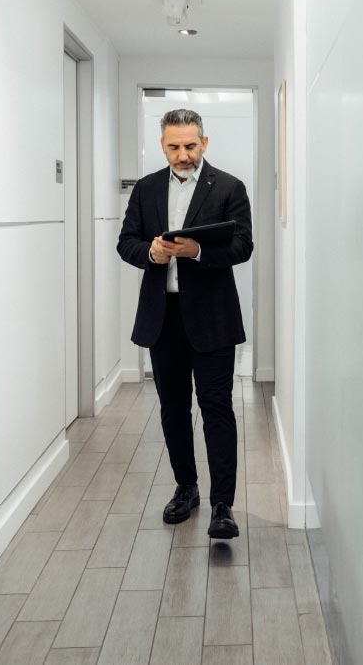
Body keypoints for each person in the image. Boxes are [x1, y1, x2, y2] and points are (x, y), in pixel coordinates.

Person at [117, 108, 253, 539]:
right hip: (163, 318)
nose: (183, 154)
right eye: (174, 146)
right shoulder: (146, 189)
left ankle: (222, 505)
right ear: (162, 145)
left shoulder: (229, 186)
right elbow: (127, 243)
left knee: (216, 409)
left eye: (190, 146)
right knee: (173, 409)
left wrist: (196, 251)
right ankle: (186, 488)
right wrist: (152, 255)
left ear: (204, 143)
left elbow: (242, 246)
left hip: (212, 318)